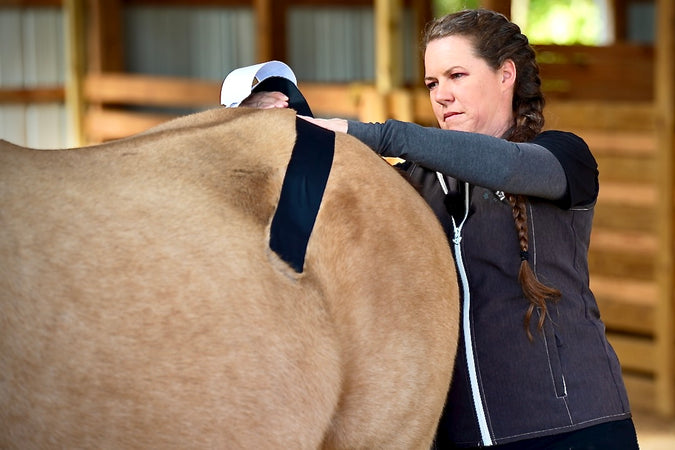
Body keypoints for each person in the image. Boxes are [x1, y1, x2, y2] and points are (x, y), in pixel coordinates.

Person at [240, 8, 639, 449]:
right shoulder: (412, 184)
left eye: (456, 76)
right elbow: (325, 199)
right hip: (456, 438)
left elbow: (505, 167)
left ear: (506, 75)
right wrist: (271, 116)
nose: (442, 95)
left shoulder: (563, 157)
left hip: (578, 429)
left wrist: (375, 134)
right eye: (432, 83)